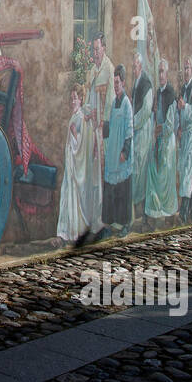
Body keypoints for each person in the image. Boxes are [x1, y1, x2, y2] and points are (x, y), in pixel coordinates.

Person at [83, 32, 114, 234]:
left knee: (102, 177)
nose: (95, 52)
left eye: (97, 48)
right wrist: (89, 112)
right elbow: (86, 102)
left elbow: (110, 103)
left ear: (104, 48)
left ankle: (103, 221)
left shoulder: (109, 71)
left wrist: (101, 121)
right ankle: (93, 220)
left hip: (103, 132)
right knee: (92, 178)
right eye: (93, 49)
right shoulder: (92, 71)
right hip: (91, 130)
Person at [144, 58, 178, 225]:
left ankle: (169, 213)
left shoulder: (171, 93)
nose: (161, 75)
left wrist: (161, 129)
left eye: (163, 71)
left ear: (168, 73)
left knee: (167, 174)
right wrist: (154, 129)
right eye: (159, 72)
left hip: (167, 140)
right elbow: (153, 116)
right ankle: (155, 213)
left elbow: (171, 123)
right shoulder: (157, 93)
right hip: (158, 139)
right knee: (153, 172)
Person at [56, 85, 91, 243]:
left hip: (75, 164)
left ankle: (72, 232)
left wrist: (74, 133)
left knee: (72, 197)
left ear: (81, 100)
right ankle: (64, 233)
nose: (72, 101)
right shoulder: (74, 116)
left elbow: (81, 143)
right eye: (71, 99)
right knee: (66, 195)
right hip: (70, 163)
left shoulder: (81, 118)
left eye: (75, 98)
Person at [101, 65, 134, 235]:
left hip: (121, 154)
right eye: (114, 83)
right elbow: (111, 126)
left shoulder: (127, 104)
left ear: (123, 82)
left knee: (123, 190)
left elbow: (129, 129)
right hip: (112, 152)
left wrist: (125, 151)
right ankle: (110, 224)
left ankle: (125, 225)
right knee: (111, 189)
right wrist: (102, 126)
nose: (115, 86)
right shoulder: (114, 103)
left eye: (117, 82)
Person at [176, 59, 192, 224]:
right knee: (188, 172)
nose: (186, 71)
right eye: (184, 68)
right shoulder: (183, 90)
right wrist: (179, 126)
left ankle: (183, 214)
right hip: (184, 134)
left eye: (188, 68)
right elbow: (179, 113)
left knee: (188, 171)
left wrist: (185, 106)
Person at [129, 51, 153, 224]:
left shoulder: (146, 84)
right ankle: (136, 212)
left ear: (141, 66)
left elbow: (146, 111)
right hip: (136, 133)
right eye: (133, 67)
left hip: (143, 132)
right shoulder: (135, 83)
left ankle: (144, 214)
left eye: (136, 66)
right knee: (136, 169)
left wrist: (133, 122)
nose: (133, 69)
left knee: (142, 170)